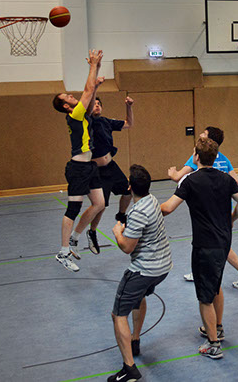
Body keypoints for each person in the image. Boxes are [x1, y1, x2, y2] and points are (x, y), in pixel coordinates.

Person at [160, 138, 238, 360]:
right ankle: (217, 328)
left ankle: (213, 344)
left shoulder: (190, 181)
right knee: (215, 285)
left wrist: (147, 206)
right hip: (224, 241)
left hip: (205, 245)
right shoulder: (226, 179)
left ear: (196, 157)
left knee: (204, 297)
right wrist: (230, 220)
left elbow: (168, 208)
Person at [168, 126, 238, 289]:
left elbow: (178, 177)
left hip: (206, 209)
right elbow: (236, 180)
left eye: (204, 133)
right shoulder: (223, 158)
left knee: (217, 246)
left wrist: (172, 173)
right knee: (217, 244)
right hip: (223, 209)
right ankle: (200, 270)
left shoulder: (197, 156)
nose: (201, 134)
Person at [109, 164, 173, 382]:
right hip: (163, 267)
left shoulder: (137, 212)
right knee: (139, 297)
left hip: (145, 269)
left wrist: (118, 233)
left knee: (118, 315)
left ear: (129, 187)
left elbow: (127, 247)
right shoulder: (152, 200)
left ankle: (129, 369)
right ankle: (135, 340)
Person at [51, 49, 106, 272]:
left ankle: (75, 237)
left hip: (89, 167)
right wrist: (92, 66)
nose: (72, 96)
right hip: (77, 168)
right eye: (68, 97)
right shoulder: (73, 114)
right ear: (66, 106)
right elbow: (87, 90)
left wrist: (97, 70)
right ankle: (63, 252)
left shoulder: (82, 114)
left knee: (100, 203)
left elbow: (91, 98)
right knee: (73, 209)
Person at [87, 95, 135, 255]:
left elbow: (129, 124)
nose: (97, 106)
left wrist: (129, 106)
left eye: (99, 104)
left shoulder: (106, 121)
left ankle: (121, 215)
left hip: (111, 167)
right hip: (97, 171)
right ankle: (92, 232)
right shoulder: (86, 122)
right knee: (101, 205)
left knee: (128, 190)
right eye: (94, 104)